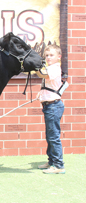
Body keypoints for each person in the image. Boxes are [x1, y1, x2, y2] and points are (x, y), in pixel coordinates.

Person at [36, 44, 65, 174]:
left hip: (53, 106)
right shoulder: (50, 67)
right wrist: (41, 94)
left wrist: (34, 67)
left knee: (53, 136)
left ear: (59, 57)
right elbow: (48, 84)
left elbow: (44, 75)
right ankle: (51, 161)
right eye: (47, 55)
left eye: (51, 55)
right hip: (49, 106)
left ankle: (59, 166)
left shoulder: (54, 68)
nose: (48, 57)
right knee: (50, 136)